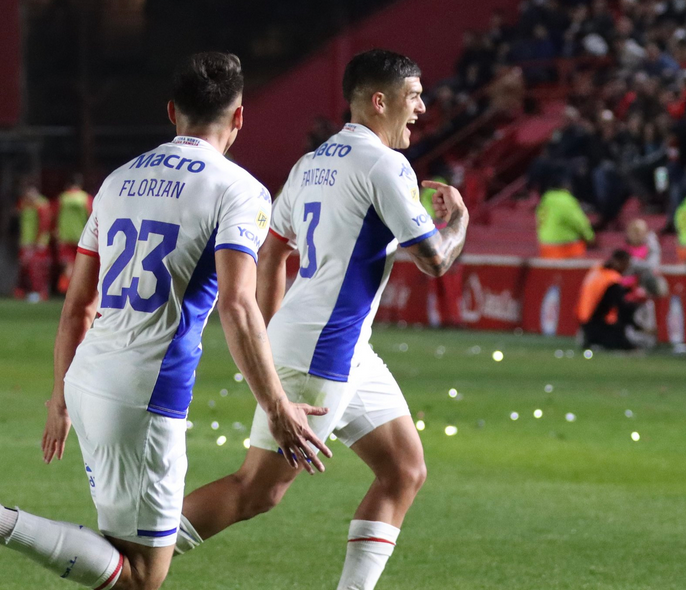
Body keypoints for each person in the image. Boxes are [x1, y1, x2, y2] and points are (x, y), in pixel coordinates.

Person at [0, 51, 330, 590]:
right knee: (140, 578)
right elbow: (238, 304)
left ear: (171, 110)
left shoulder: (117, 181)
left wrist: (60, 396)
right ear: (240, 116)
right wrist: (277, 406)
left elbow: (77, 306)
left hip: (88, 378)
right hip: (146, 394)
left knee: (127, 560)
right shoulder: (239, 190)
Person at [174, 49, 469, 590]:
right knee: (256, 491)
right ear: (379, 102)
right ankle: (129, 558)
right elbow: (435, 260)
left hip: (340, 346)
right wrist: (461, 220)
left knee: (404, 469)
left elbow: (272, 251)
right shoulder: (386, 164)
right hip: (325, 348)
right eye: (414, 97)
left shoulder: (312, 163)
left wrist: (268, 329)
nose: (422, 109)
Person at [576, 249, 646, 350]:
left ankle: (589, 339)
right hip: (597, 326)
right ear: (619, 262)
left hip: (584, 323)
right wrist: (637, 326)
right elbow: (622, 308)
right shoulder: (611, 281)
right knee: (630, 345)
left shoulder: (597, 270)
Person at [536, 172, 594, 259]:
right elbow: (578, 222)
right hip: (565, 247)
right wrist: (590, 237)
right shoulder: (566, 200)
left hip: (545, 246)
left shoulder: (546, 199)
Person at [56, 174, 93, 294]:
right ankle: (77, 290)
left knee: (68, 264)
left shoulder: (63, 198)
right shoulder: (85, 198)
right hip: (81, 236)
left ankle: (66, 289)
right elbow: (92, 216)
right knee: (81, 265)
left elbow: (55, 216)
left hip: (65, 236)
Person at [15, 182, 52, 302]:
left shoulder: (41, 204)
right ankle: (24, 291)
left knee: (37, 269)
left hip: (37, 243)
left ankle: (40, 292)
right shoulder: (24, 203)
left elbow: (44, 224)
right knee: (24, 268)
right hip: (25, 242)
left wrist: (39, 241)